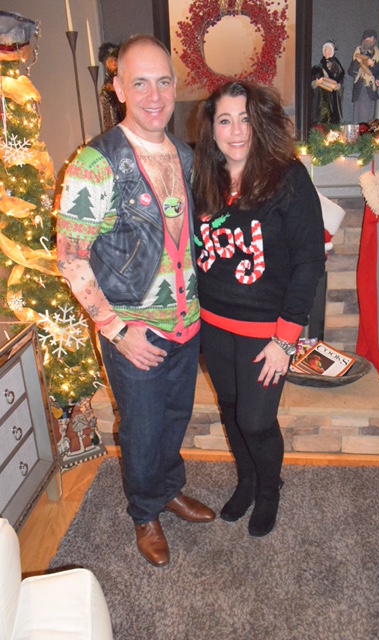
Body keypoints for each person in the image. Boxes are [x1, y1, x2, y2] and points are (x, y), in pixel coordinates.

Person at [57, 34, 215, 568]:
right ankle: (144, 511)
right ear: (119, 88)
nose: (154, 95)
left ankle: (168, 489)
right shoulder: (95, 162)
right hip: (134, 331)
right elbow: (70, 257)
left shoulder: (185, 155)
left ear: (174, 86)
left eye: (163, 82)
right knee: (143, 429)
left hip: (185, 324)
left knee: (174, 418)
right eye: (140, 82)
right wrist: (117, 331)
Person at [192, 81, 325, 537]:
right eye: (225, 120)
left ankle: (270, 490)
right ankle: (247, 481)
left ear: (260, 122)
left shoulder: (287, 177)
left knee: (256, 420)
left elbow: (309, 261)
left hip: (265, 332)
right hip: (213, 325)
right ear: (212, 128)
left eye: (245, 119)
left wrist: (285, 341)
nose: (236, 131)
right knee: (231, 411)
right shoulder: (204, 179)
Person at [348, 29, 379, 124]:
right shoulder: (358, 53)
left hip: (369, 87)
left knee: (366, 114)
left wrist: (373, 65)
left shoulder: (377, 56)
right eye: (367, 39)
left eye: (372, 40)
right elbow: (351, 72)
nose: (369, 42)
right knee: (356, 114)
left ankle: (365, 131)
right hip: (359, 87)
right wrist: (357, 62)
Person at [311, 40, 345, 125]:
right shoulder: (318, 67)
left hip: (333, 96)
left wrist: (338, 86)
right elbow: (312, 83)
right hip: (322, 96)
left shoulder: (337, 66)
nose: (327, 52)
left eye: (329, 50)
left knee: (333, 115)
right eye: (326, 50)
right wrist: (317, 83)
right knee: (323, 115)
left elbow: (341, 79)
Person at [98, 42, 125, 130]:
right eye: (110, 60)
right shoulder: (108, 81)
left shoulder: (121, 77)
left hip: (120, 120)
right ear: (106, 64)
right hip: (111, 121)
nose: (114, 62)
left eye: (115, 59)